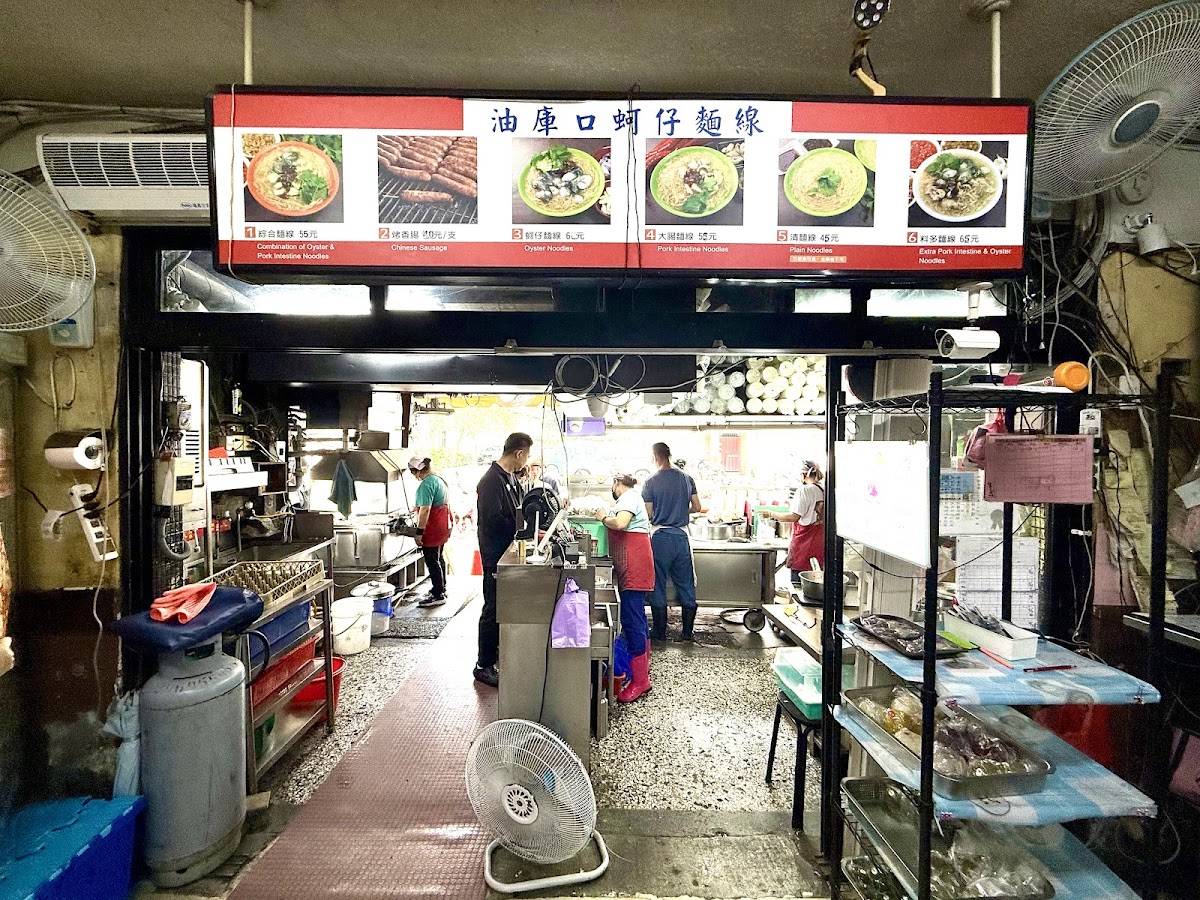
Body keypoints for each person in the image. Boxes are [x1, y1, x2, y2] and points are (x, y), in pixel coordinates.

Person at [473, 432, 533, 687]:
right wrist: (518, 528)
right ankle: (483, 664)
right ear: (519, 453)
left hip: (505, 553)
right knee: (492, 608)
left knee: (501, 607)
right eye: (526, 455)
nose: (526, 461)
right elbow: (493, 520)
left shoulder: (508, 477)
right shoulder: (490, 481)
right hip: (494, 554)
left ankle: (497, 653)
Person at [602, 474, 654, 702]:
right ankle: (640, 671)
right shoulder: (632, 498)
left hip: (634, 562)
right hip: (631, 562)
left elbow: (620, 523)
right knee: (637, 617)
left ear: (617, 483)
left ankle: (641, 681)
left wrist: (604, 518)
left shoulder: (629, 496)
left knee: (632, 620)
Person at [642, 442, 701, 642]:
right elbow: (697, 507)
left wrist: (663, 511)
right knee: (685, 584)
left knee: (658, 584)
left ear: (655, 456)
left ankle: (659, 632)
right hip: (681, 537)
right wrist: (681, 510)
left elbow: (648, 514)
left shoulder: (650, 482)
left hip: (660, 538)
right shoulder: (686, 478)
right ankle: (687, 633)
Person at [763, 460, 825, 581]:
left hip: (804, 543)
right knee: (815, 577)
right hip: (819, 541)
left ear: (803, 475)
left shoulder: (805, 490)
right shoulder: (823, 490)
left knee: (799, 581)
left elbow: (794, 517)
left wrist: (771, 513)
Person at [408, 455, 451, 609]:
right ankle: (440, 588)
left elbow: (425, 510)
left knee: (432, 561)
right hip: (443, 526)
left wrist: (419, 532)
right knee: (438, 558)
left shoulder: (426, 485)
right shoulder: (438, 479)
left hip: (433, 527)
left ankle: (438, 594)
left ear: (415, 471)